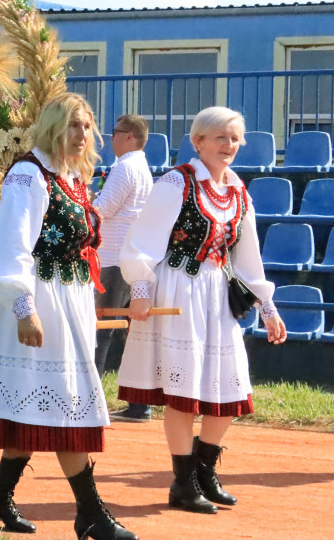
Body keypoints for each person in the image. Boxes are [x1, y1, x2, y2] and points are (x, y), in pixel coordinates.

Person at [0, 93, 136, 540]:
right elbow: (10, 246)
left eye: (87, 126)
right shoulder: (29, 176)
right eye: (72, 125)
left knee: (39, 403)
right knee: (67, 408)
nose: (82, 135)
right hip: (39, 304)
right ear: (52, 126)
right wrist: (24, 309)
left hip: (70, 302)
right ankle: (91, 512)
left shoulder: (71, 178)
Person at [118, 106, 286, 515]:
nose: (229, 146)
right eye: (220, 138)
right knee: (184, 395)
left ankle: (205, 470)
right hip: (178, 290)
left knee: (228, 389)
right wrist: (140, 288)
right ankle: (183, 481)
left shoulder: (238, 190)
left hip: (217, 297)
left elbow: (248, 257)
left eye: (234, 138)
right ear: (198, 142)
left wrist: (267, 305)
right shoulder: (177, 182)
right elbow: (142, 241)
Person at [92, 114, 153, 422]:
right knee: (129, 332)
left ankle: (90, 401)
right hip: (128, 258)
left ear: (129, 136)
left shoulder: (125, 167)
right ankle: (139, 404)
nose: (111, 138)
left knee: (101, 330)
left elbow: (102, 209)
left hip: (114, 259)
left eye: (115, 133)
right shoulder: (140, 167)